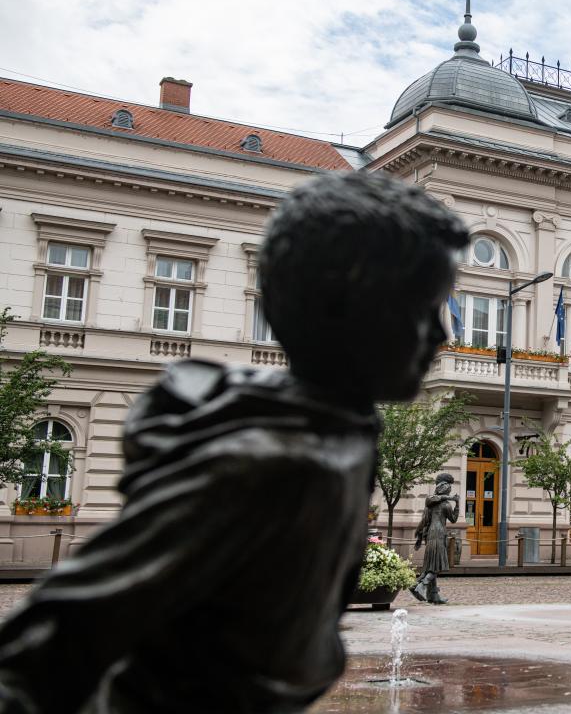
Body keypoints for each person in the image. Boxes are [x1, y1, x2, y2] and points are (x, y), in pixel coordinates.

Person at [0, 170, 468, 713]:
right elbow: (45, 644)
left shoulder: (335, 434)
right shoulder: (269, 463)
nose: (440, 336)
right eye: (420, 310)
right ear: (344, 309)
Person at [412, 472, 459, 604]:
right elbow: (454, 519)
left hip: (431, 535)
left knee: (431, 564)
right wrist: (457, 503)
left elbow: (424, 521)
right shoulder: (445, 505)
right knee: (437, 565)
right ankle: (421, 586)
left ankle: (433, 596)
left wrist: (419, 537)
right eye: (449, 486)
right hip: (439, 535)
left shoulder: (430, 505)